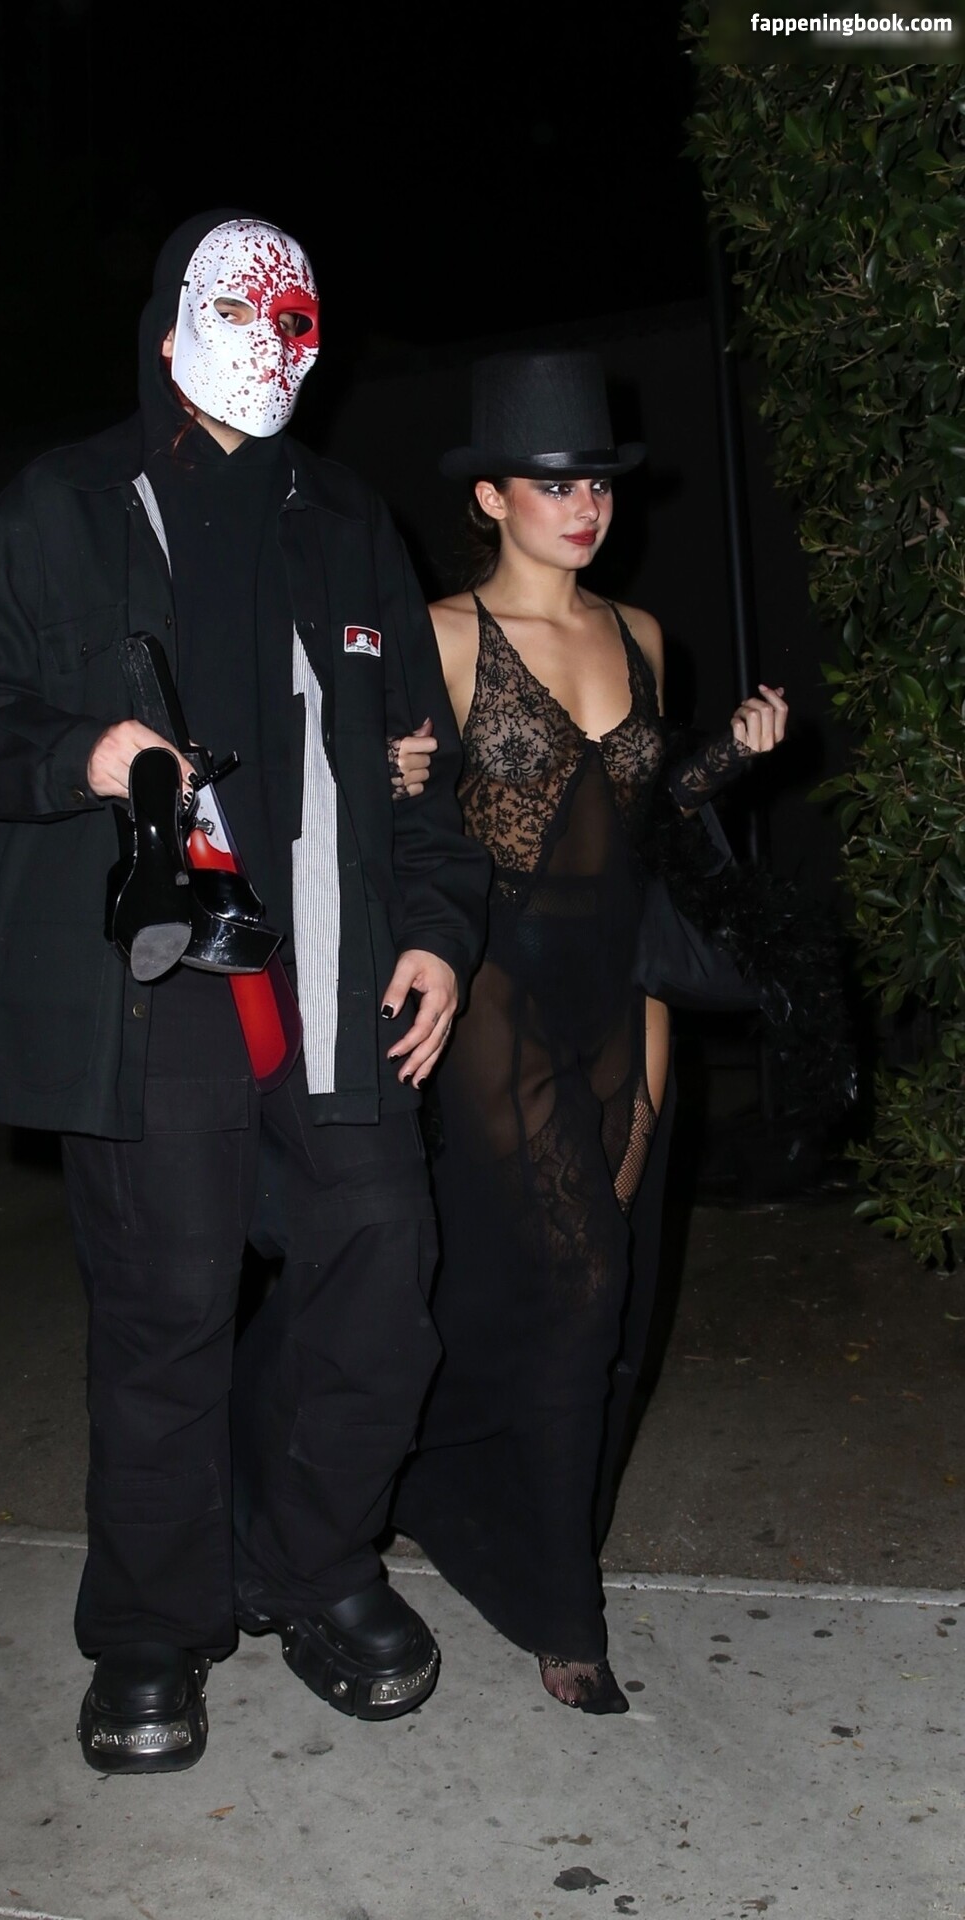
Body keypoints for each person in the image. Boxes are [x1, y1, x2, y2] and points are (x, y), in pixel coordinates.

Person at [0, 211, 489, 1772]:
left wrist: (439, 930)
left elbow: (419, 771)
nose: (280, 340)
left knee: (381, 1284)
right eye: (245, 312)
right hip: (153, 993)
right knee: (165, 1315)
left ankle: (316, 1567)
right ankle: (152, 1629)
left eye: (300, 315)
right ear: (170, 331)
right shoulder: (65, 506)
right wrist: (81, 752)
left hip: (336, 982)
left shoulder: (348, 519)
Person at [389, 351, 787, 1712]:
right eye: (553, 484)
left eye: (599, 485)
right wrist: (387, 771)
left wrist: (731, 756)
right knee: (578, 1279)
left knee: (596, 1295)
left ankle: (438, 1481)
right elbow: (387, 827)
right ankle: (566, 1612)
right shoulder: (442, 636)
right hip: (495, 993)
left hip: (626, 991)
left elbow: (653, 827)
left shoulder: (645, 634)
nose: (584, 507)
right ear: (490, 496)